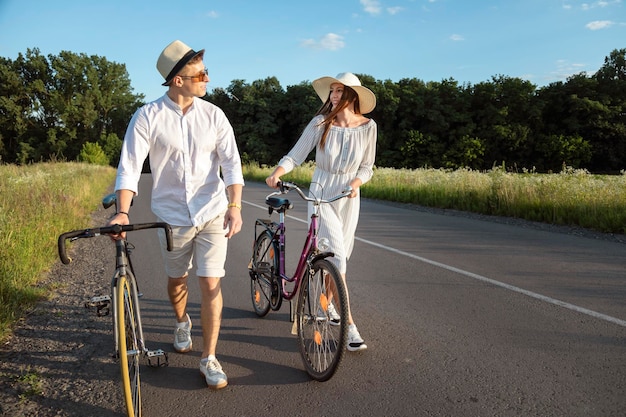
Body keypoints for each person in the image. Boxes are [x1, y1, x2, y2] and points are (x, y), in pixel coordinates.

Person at [107, 40, 244, 389]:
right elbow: (130, 167)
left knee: (211, 281)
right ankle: (182, 321)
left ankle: (209, 357)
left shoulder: (214, 115)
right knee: (177, 279)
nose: (207, 79)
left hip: (212, 211)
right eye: (201, 73)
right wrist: (123, 212)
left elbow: (231, 164)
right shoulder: (147, 116)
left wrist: (235, 205)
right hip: (171, 217)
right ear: (177, 80)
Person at [265, 72, 377, 352]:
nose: (334, 96)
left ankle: (326, 305)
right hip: (322, 191)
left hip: (350, 195)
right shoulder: (320, 123)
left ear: (352, 96)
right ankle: (349, 328)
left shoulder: (368, 127)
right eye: (332, 91)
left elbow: (367, 166)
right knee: (337, 257)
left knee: (341, 257)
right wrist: (277, 172)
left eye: (340, 91)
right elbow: (296, 155)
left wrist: (356, 182)